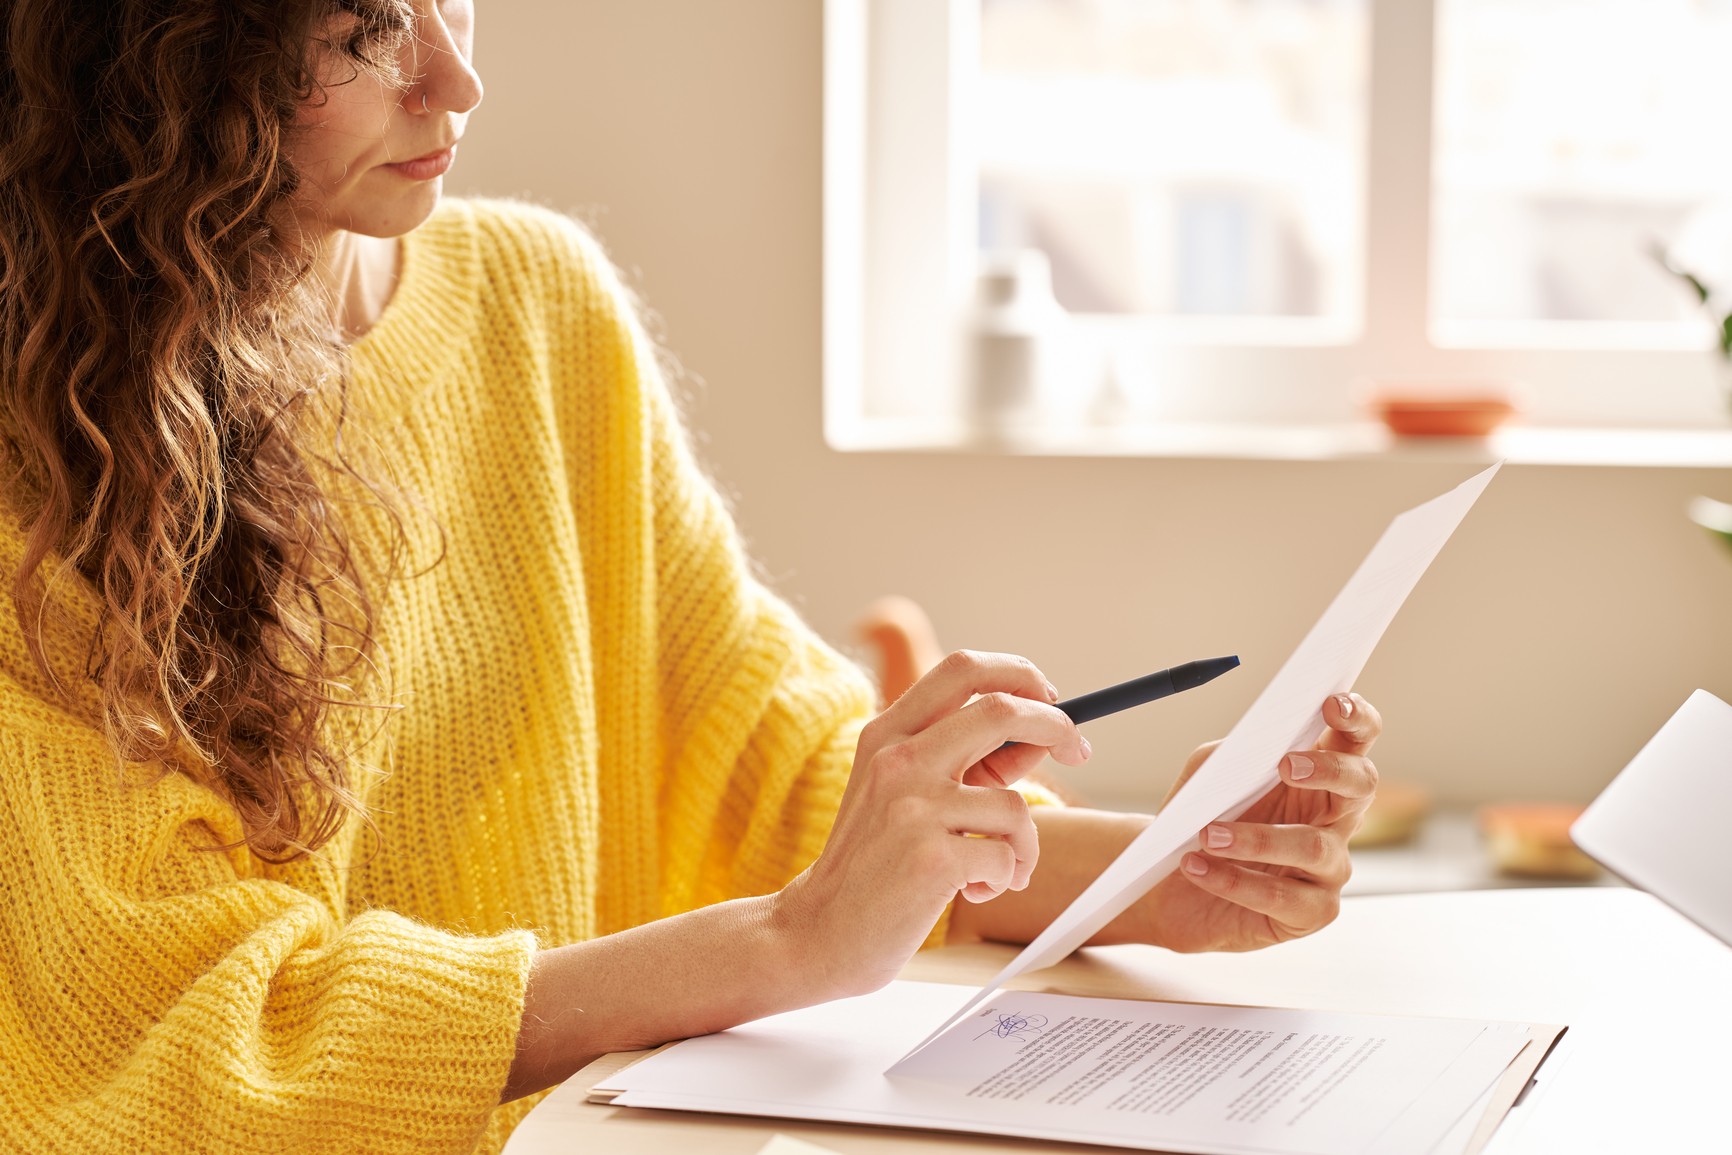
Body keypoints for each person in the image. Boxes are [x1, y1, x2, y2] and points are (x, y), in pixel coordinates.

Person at [0, 2, 1381, 1151]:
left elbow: (776, 780)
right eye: (364, 30)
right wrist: (783, 946)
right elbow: (179, 1037)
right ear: (162, 70)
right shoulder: (44, 462)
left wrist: (1165, 876)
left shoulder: (539, 303)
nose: (457, 77)